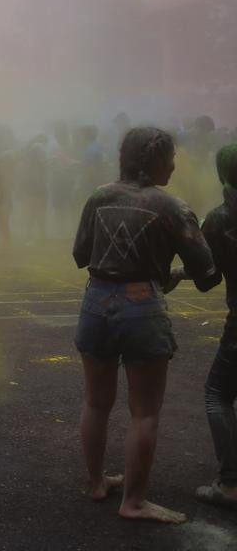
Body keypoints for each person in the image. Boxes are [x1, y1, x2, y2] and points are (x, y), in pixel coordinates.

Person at [73, 126, 220, 524]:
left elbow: (80, 254)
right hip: (142, 306)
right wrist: (171, 271)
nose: (174, 165)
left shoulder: (99, 197)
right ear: (154, 160)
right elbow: (207, 274)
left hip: (96, 301)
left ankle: (96, 482)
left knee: (95, 402)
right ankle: (134, 502)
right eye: (169, 158)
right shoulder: (172, 207)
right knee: (145, 412)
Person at [197, 144, 237, 509]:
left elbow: (206, 279)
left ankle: (229, 483)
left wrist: (178, 272)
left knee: (218, 394)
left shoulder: (221, 218)